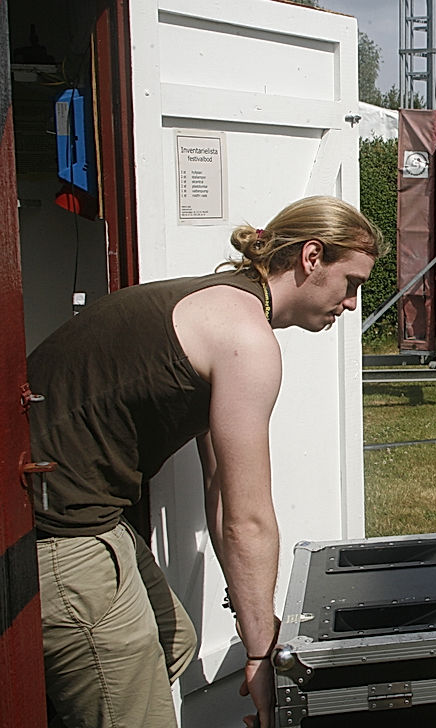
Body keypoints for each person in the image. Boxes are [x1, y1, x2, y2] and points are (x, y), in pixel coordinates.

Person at [28, 196, 386, 728]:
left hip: (84, 515)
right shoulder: (246, 338)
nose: (352, 303)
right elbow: (248, 521)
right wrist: (266, 656)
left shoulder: (222, 302)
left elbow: (221, 489)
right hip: (61, 535)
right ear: (312, 257)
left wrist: (253, 635)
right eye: (351, 283)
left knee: (175, 641)